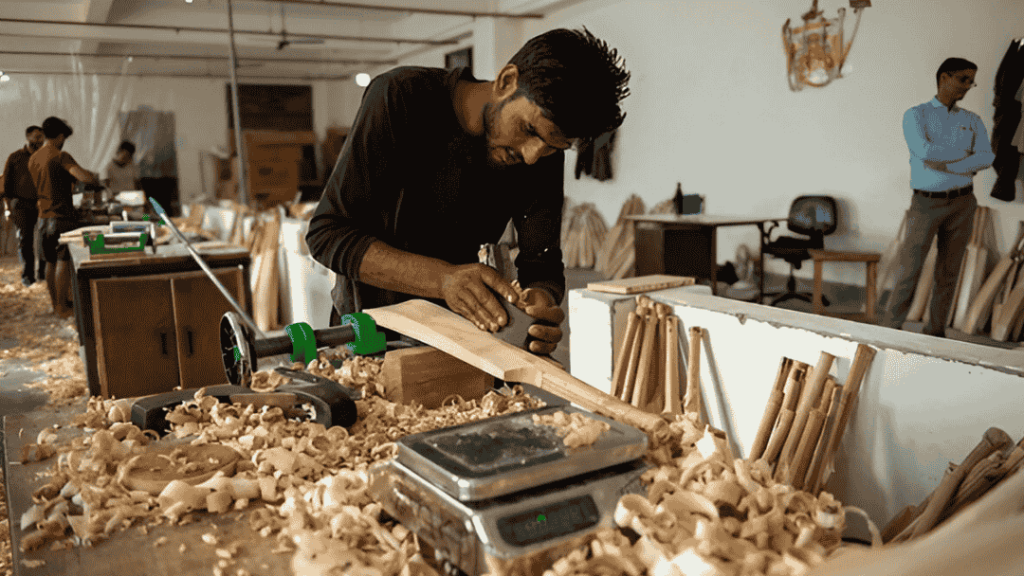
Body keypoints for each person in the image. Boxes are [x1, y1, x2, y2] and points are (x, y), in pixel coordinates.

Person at [305, 28, 630, 355]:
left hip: (463, 334)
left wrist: (539, 305)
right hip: (371, 326)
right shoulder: (402, 96)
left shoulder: (541, 154)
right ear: (506, 81)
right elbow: (327, 234)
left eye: (554, 146)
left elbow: (541, 264)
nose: (532, 156)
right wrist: (444, 280)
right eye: (529, 130)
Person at [882, 58, 996, 337]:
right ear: (944, 77)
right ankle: (890, 329)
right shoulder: (916, 115)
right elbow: (925, 151)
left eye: (971, 81)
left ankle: (935, 332)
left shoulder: (972, 120)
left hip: (963, 203)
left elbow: (987, 157)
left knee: (949, 271)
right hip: (925, 203)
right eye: (963, 79)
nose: (968, 86)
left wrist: (949, 165)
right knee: (910, 267)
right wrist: (967, 158)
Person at [28, 116, 100, 318]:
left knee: (49, 262)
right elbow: (84, 177)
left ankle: (55, 305)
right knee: (63, 261)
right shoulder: (61, 156)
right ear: (60, 136)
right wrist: (93, 176)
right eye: (64, 137)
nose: (64, 141)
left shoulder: (34, 158)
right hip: (61, 217)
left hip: (42, 217)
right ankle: (62, 306)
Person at [2, 125, 46, 286]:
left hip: (43, 203)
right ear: (28, 137)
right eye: (36, 137)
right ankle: (27, 275)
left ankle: (43, 273)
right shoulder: (15, 157)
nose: (39, 140)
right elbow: (6, 185)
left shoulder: (45, 157)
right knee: (25, 241)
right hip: (22, 204)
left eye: (41, 137)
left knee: (43, 239)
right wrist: (8, 207)